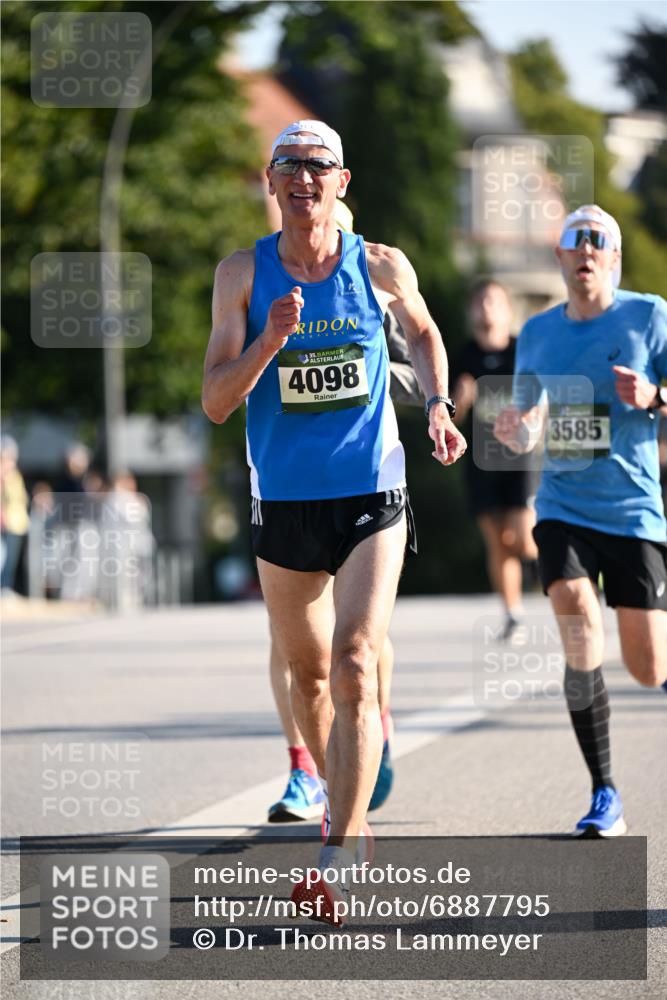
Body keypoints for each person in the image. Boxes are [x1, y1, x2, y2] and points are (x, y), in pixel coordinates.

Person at [202, 119, 465, 923]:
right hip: (282, 499)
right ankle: (343, 804)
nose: (303, 179)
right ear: (270, 181)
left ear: (340, 183)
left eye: (318, 167)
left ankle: (338, 851)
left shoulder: (380, 265)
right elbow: (216, 402)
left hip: (369, 491)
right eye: (289, 167)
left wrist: (439, 405)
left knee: (354, 665)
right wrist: (268, 343)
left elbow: (421, 332)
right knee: (309, 678)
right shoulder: (240, 274)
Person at [494, 204, 667, 838]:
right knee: (577, 620)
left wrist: (655, 398)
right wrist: (516, 431)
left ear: (614, 260)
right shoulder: (537, 333)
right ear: (561, 259)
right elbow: (527, 418)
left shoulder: (650, 315)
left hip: (634, 510)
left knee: (649, 667)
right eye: (576, 243)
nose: (587, 251)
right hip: (564, 506)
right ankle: (605, 792)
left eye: (600, 243)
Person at [452, 280, 538, 640]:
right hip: (482, 461)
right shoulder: (462, 357)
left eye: (494, 302)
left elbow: (543, 400)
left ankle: (569, 567)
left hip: (521, 458)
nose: (486, 308)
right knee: (497, 541)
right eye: (480, 302)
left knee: (522, 540)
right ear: (473, 311)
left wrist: (531, 418)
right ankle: (513, 613)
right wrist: (463, 399)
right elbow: (449, 418)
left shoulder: (524, 352)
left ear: (506, 310)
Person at [0, 435, 29, 594]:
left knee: (11, 559)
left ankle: (6, 587)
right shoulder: (3, 476)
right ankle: (3, 587)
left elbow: (21, 497)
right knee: (4, 557)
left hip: (17, 523)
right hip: (6, 522)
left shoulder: (15, 475)